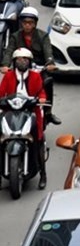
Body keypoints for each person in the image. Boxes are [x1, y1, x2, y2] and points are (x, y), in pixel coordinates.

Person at [1, 8, 59, 131]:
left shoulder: (43, 36)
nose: (27, 25)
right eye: (25, 22)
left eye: (30, 22)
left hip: (38, 67)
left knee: (47, 82)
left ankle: (48, 112)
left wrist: (50, 63)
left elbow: (48, 51)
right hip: (20, 67)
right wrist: (5, 65)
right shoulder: (15, 36)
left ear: (35, 23)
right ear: (21, 23)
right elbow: (9, 52)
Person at [0, 48, 48, 189]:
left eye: (25, 59)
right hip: (10, 112)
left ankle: (43, 174)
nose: (23, 61)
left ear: (30, 61)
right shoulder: (8, 76)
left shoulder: (35, 76)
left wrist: (43, 99)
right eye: (19, 59)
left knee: (38, 140)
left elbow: (41, 92)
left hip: (30, 112)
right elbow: (2, 92)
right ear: (14, 62)